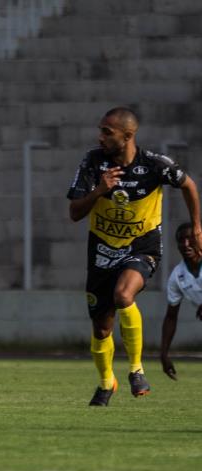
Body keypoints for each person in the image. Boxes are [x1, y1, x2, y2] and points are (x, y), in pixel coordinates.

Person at [67, 106, 202, 407]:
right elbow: (75, 213)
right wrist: (99, 190)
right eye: (100, 130)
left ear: (127, 136)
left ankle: (136, 369)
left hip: (141, 246)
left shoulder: (154, 164)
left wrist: (196, 226)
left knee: (123, 295)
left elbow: (188, 184)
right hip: (101, 250)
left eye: (107, 131)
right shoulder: (92, 162)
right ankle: (106, 383)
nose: (100, 136)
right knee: (102, 327)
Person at [160, 222, 202, 380]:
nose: (186, 244)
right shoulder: (177, 276)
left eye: (190, 239)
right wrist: (164, 353)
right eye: (181, 240)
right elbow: (171, 316)